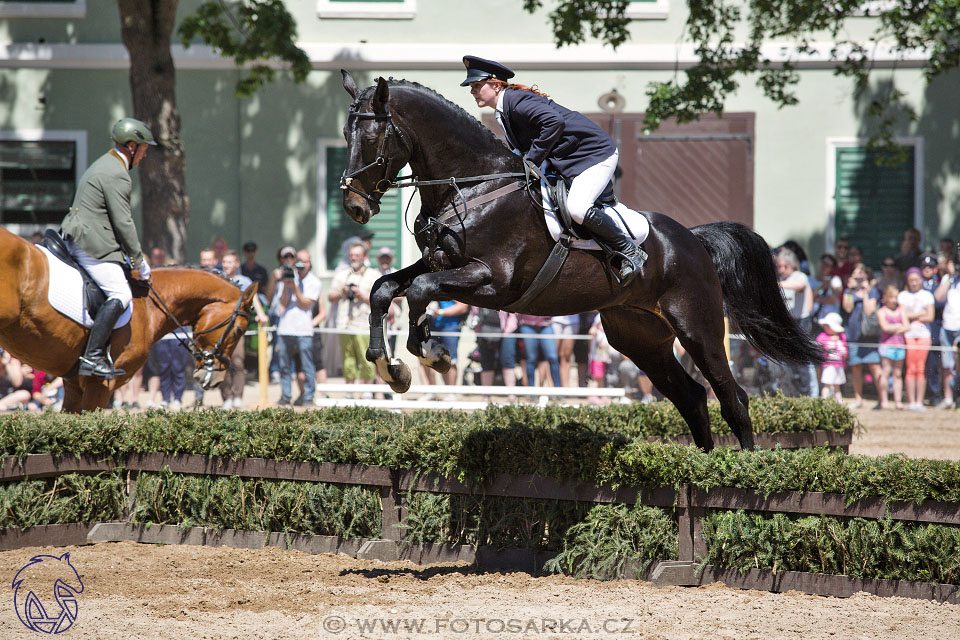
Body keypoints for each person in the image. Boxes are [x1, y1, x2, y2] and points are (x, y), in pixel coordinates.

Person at [461, 55, 643, 284]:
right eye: (471, 87)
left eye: (477, 85)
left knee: (577, 208)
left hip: (595, 155)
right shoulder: (504, 109)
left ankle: (629, 251)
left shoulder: (516, 102)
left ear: (496, 85)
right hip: (570, 161)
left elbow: (553, 122)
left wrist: (532, 159)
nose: (473, 91)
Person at [59, 117, 155, 379]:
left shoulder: (104, 163)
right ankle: (92, 357)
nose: (146, 154)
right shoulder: (116, 173)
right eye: (144, 148)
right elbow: (123, 222)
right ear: (132, 146)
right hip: (91, 242)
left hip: (83, 235)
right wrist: (139, 261)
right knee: (120, 293)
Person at [328, 241, 380, 394]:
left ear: (365, 256)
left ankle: (367, 392)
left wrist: (362, 296)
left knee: (367, 360)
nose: (353, 258)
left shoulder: (373, 275)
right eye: (351, 255)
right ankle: (349, 392)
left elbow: (380, 301)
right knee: (348, 360)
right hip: (344, 323)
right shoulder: (342, 275)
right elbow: (330, 296)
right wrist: (343, 292)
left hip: (364, 324)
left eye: (357, 255)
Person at [220, 251, 269, 408]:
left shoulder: (244, 280)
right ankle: (227, 396)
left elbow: (253, 297)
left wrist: (260, 314)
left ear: (236, 264)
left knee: (238, 361)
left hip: (237, 328)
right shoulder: (218, 278)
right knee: (222, 362)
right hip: (220, 328)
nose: (226, 265)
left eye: (229, 262)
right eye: (224, 262)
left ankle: (238, 395)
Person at [272, 249, 321, 406]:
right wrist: (287, 286)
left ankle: (308, 395)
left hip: (304, 329)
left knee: (307, 365)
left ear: (310, 263)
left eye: (305, 261)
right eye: (299, 260)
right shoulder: (288, 275)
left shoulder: (314, 281)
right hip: (285, 327)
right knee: (284, 365)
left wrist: (294, 287)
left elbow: (305, 304)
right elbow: (284, 303)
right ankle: (286, 395)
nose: (302, 265)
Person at [842, 263, 882, 408]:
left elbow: (869, 310)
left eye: (861, 275)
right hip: (853, 335)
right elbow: (847, 307)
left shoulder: (872, 292)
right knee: (856, 368)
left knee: (874, 366)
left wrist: (865, 291)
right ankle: (859, 399)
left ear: (866, 276)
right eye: (855, 275)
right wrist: (850, 289)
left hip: (869, 336)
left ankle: (882, 399)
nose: (858, 278)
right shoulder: (848, 291)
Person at [898, 268, 935, 410]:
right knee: (910, 368)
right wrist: (920, 313)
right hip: (908, 335)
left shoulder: (927, 295)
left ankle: (919, 401)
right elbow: (902, 315)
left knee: (920, 368)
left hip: (924, 335)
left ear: (920, 280)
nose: (913, 283)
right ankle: (911, 401)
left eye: (916, 280)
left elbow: (930, 316)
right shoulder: (903, 295)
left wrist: (911, 314)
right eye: (911, 280)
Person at [877, 285, 908, 410]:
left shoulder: (901, 310)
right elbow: (885, 327)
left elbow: (907, 327)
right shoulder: (881, 311)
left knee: (898, 374)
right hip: (887, 346)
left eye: (896, 297)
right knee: (885, 372)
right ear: (886, 298)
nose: (894, 300)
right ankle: (884, 401)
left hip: (900, 345)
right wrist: (898, 326)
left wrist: (893, 327)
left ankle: (898, 401)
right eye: (892, 297)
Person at [935, 254, 960, 409]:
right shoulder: (948, 279)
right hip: (947, 327)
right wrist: (950, 276)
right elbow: (937, 297)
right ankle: (948, 398)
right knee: (946, 365)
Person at [920, 253, 945, 405]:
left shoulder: (939, 284)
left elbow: (940, 303)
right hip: (919, 329)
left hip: (935, 327)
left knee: (934, 364)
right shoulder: (915, 283)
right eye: (924, 266)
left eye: (930, 266)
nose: (927, 269)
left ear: (935, 269)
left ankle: (935, 395)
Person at [517, 314, 561, 388]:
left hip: (546, 324)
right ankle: (532, 391)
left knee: (552, 357)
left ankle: (557, 390)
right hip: (527, 324)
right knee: (531, 359)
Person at [816, 313, 847, 403]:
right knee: (827, 385)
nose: (826, 328)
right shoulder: (822, 337)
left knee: (837, 386)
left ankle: (840, 403)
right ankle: (824, 402)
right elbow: (818, 348)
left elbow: (845, 353)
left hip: (839, 366)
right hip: (829, 365)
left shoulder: (842, 337)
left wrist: (842, 350)